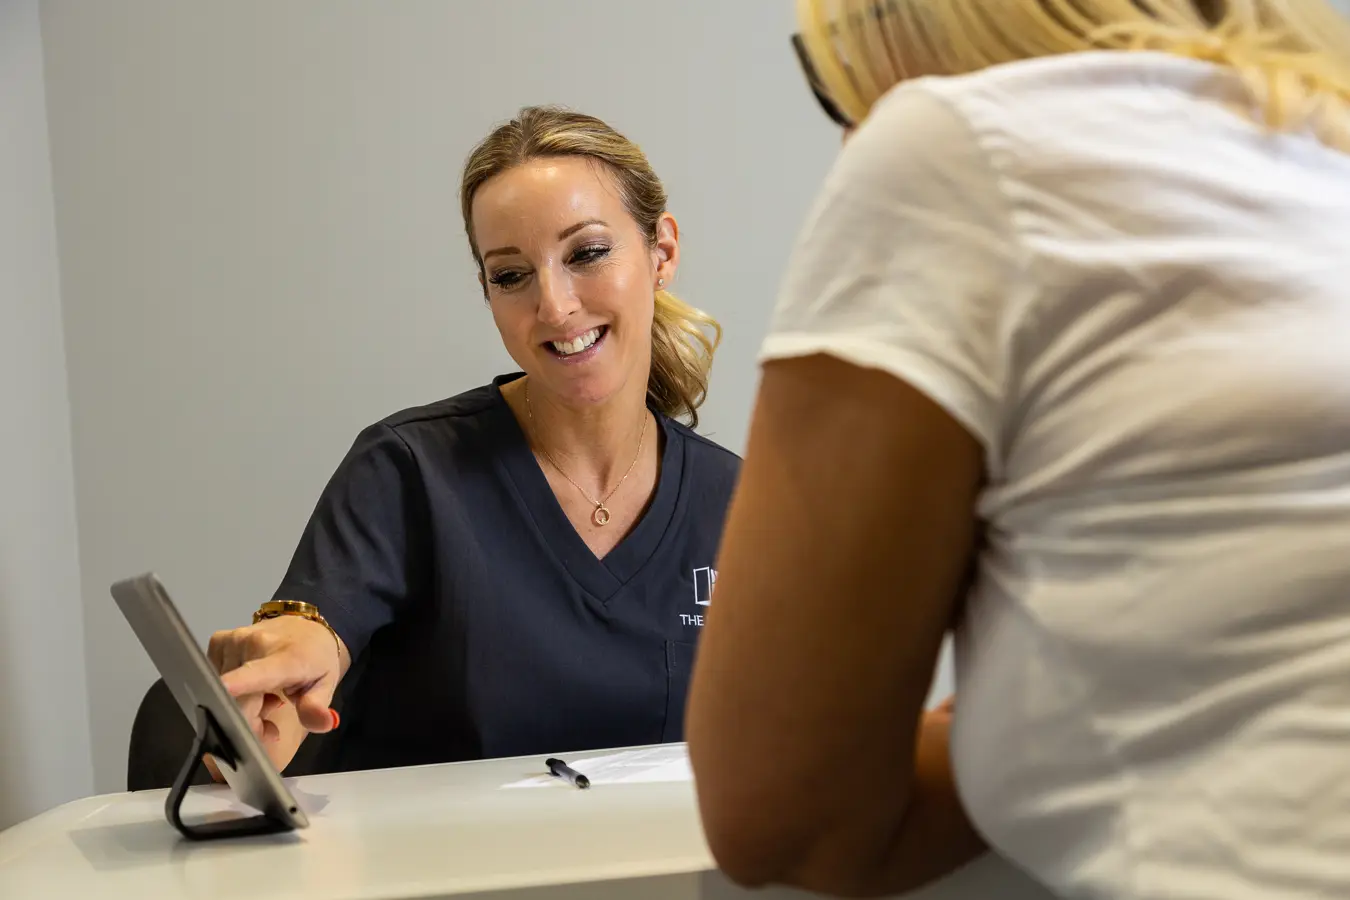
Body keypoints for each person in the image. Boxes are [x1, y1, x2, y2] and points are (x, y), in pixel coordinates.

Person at [686, 1, 1350, 897]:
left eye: (832, 76)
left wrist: (1040, 721)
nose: (851, 132)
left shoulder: (953, 148)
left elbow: (783, 815)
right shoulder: (1322, 141)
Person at [206, 105, 739, 777]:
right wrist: (282, 674)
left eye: (587, 254)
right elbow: (314, 632)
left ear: (662, 251)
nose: (555, 306)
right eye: (511, 275)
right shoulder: (409, 470)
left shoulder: (739, 506)